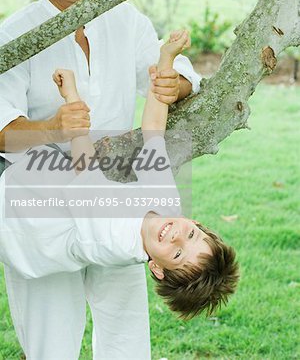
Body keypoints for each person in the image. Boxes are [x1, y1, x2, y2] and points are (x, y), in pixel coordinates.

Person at [0, 0, 202, 359]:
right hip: (41, 216)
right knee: (51, 344)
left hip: (120, 202)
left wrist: (177, 82)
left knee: (126, 337)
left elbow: (173, 78)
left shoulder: (126, 21)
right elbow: (1, 130)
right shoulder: (14, 34)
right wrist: (55, 126)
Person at [0, 30, 239, 323]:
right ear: (197, 224)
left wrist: (73, 96)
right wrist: (166, 58)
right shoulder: (168, 210)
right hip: (41, 184)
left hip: (19, 222)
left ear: (157, 269)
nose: (177, 236)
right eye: (192, 235)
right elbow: (154, 133)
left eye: (177, 255)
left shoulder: (114, 238)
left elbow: (84, 169)